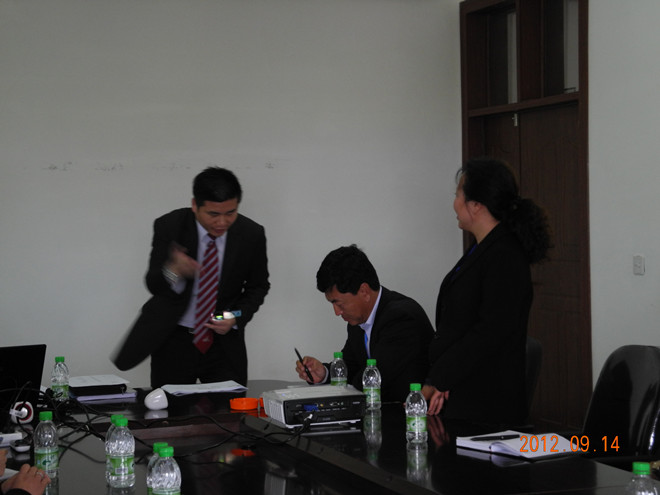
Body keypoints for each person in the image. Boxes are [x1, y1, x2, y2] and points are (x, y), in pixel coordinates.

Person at [114, 167, 270, 387]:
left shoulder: (251, 234)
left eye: (230, 213)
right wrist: (173, 270)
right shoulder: (170, 226)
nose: (222, 222)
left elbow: (258, 286)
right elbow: (154, 284)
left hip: (223, 344)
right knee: (169, 406)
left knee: (228, 406)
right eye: (213, 214)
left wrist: (234, 316)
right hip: (174, 339)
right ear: (195, 205)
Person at [423, 157, 551, 427]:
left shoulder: (504, 256)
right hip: (464, 391)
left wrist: (442, 378)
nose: (454, 203)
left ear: (476, 205)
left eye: (458, 195)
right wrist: (441, 379)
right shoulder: (482, 248)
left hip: (487, 405)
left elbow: (490, 331)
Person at [295, 245, 435, 402]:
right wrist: (324, 373)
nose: (337, 312)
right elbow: (352, 366)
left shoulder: (401, 317)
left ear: (364, 291)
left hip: (411, 414)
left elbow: (373, 379)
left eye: (339, 304)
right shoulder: (358, 321)